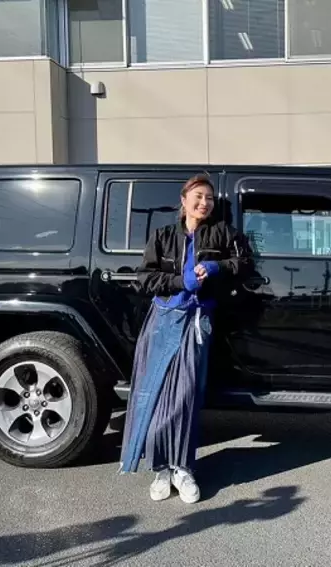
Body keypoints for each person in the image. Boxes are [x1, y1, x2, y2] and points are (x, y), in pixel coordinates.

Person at [118, 173, 253, 504]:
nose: (204, 203)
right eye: (199, 196)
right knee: (155, 394)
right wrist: (181, 281)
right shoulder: (163, 236)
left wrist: (217, 267)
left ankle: (183, 467)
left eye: (209, 198)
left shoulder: (222, 233)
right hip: (163, 320)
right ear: (184, 200)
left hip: (197, 322)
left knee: (185, 396)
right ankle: (161, 469)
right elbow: (145, 278)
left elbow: (245, 263)